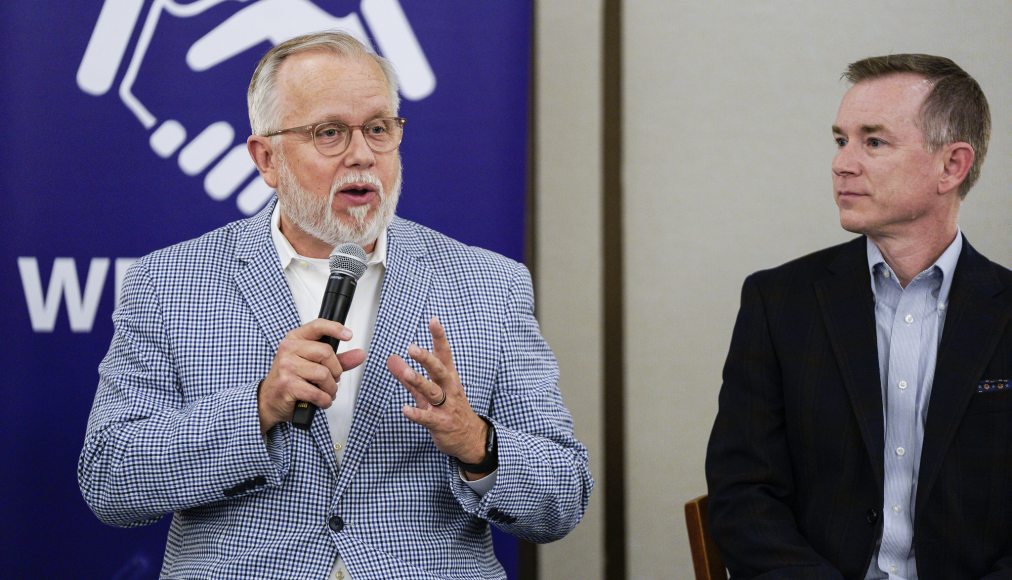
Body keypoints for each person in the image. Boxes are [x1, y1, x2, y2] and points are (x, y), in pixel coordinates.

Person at [78, 31, 592, 579]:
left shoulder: (489, 284)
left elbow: (562, 495)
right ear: (266, 158)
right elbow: (111, 477)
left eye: (378, 128)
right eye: (329, 133)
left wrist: (475, 441)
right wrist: (258, 409)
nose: (362, 155)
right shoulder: (170, 284)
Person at [705, 54, 1011, 579]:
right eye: (840, 140)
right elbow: (742, 496)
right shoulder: (777, 302)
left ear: (952, 166)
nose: (842, 163)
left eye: (873, 141)